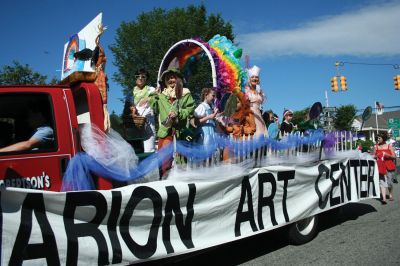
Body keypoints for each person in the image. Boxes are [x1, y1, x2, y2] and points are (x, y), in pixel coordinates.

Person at [149, 67, 195, 176]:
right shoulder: (161, 96)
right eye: (168, 78)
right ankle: (165, 181)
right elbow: (154, 107)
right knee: (164, 161)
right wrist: (154, 94)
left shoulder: (185, 93)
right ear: (165, 81)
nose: (171, 80)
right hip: (165, 132)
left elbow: (190, 109)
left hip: (180, 132)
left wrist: (178, 113)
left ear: (178, 79)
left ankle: (181, 184)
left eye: (173, 77)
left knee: (181, 160)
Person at [130, 68, 156, 153]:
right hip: (136, 124)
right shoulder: (132, 92)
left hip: (148, 124)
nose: (140, 78)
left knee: (149, 150)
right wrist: (132, 110)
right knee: (136, 151)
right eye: (137, 76)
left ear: (146, 79)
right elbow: (131, 106)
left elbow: (156, 98)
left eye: (143, 76)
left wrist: (147, 98)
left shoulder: (151, 89)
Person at [373, 132, 396, 204]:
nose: (378, 139)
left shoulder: (389, 146)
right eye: (377, 138)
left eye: (379, 138)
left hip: (389, 165)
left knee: (389, 183)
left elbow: (394, 157)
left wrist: (387, 154)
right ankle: (384, 198)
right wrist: (376, 156)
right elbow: (374, 156)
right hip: (380, 166)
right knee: (382, 182)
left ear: (383, 138)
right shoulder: (376, 147)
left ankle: (391, 194)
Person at [245, 65, 267, 137]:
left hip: (259, 116)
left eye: (256, 77)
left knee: (261, 134)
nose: (254, 79)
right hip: (249, 115)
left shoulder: (260, 91)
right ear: (249, 79)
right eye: (252, 77)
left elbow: (261, 102)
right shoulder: (246, 90)